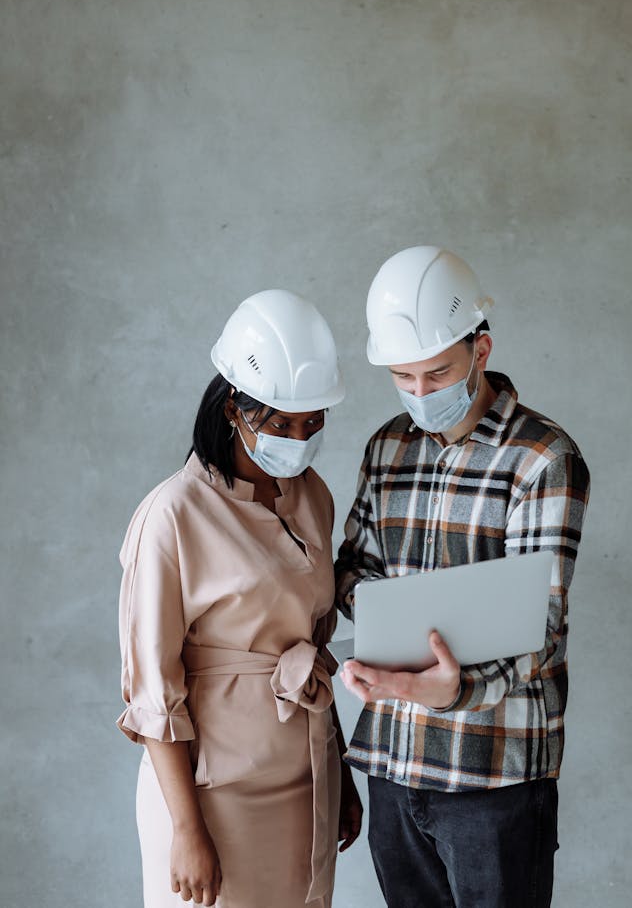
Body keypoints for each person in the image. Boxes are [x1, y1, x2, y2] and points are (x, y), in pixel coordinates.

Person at [335, 246, 590, 908]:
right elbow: (354, 569)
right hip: (394, 762)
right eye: (403, 377)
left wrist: (452, 691)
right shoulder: (386, 448)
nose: (420, 393)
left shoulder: (542, 458)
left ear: (481, 349)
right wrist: (363, 618)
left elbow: (540, 620)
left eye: (437, 372)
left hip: (493, 774)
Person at [118, 289, 362, 908]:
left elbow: (311, 646)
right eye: (281, 424)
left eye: (313, 423)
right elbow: (154, 692)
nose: (299, 440)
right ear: (234, 408)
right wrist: (186, 830)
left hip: (307, 778)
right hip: (214, 794)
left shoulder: (312, 497)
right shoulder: (172, 515)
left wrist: (341, 774)